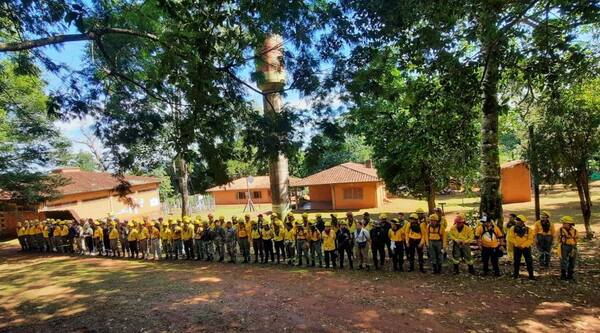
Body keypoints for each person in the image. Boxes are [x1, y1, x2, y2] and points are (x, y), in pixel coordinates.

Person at [509, 215, 535, 280]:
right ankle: (516, 275)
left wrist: (523, 245)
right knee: (516, 261)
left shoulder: (528, 230)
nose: (517, 222)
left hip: (526, 248)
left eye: (518, 221)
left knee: (529, 261)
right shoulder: (513, 228)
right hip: (517, 247)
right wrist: (517, 244)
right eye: (516, 221)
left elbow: (530, 239)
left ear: (522, 222)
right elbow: (510, 237)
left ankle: (531, 276)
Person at [557, 216, 577, 280]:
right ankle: (563, 275)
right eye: (563, 223)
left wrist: (574, 246)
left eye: (564, 223)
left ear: (569, 224)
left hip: (573, 247)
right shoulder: (560, 230)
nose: (563, 224)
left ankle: (570, 275)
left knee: (572, 261)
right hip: (564, 246)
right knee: (563, 260)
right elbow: (556, 237)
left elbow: (577, 238)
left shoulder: (575, 231)